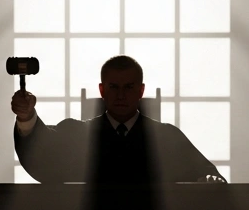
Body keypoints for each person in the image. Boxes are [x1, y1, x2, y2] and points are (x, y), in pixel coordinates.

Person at [12, 55, 224, 184]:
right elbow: (43, 154)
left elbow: (206, 174)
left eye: (129, 87)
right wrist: (27, 116)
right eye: (114, 87)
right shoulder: (78, 134)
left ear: (141, 90)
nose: (121, 95)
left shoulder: (167, 137)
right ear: (102, 90)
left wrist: (209, 181)